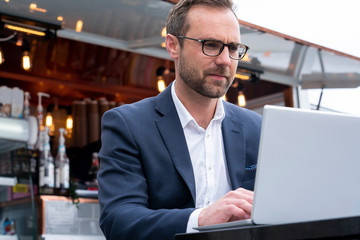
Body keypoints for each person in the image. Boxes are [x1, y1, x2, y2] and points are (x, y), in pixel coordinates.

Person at [97, 0, 262, 239]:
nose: (226, 60)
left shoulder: (255, 127)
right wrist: (200, 219)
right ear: (173, 46)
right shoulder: (128, 124)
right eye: (211, 45)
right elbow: (118, 220)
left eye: (233, 48)